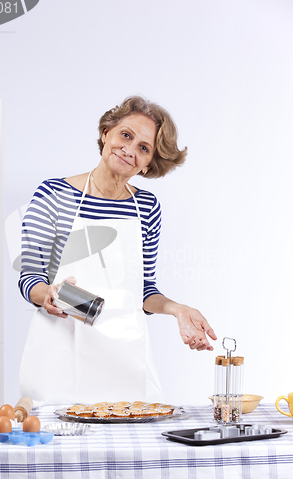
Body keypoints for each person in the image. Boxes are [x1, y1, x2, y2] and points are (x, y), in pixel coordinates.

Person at [18, 96, 217, 408]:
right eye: (126, 135)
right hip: (58, 355)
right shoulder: (53, 194)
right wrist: (50, 294)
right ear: (105, 133)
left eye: (143, 147)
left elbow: (143, 290)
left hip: (123, 359)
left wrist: (178, 309)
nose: (129, 150)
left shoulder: (147, 207)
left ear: (149, 163)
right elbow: (30, 277)